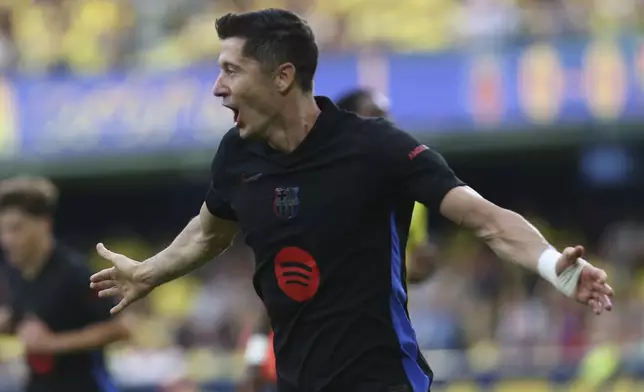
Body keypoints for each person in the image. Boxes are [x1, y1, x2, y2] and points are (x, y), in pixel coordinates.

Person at [90, 9, 613, 392]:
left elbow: (486, 219)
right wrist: (150, 272)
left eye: (231, 70)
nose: (217, 88)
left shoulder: (375, 148)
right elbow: (209, 230)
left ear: (282, 76)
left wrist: (553, 266)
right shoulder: (237, 156)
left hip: (383, 382)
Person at [236, 87, 438, 392]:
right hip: (317, 357)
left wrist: (423, 266)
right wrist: (255, 358)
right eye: (377, 117)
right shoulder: (313, 191)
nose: (388, 126)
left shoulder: (405, 193)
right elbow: (281, 284)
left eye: (388, 118)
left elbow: (407, 266)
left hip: (378, 352)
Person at [0, 176, 130, 392]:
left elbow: (122, 328)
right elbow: (25, 320)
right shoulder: (15, 272)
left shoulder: (75, 272)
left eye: (16, 229)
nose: (6, 240)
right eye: (3, 231)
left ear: (44, 225)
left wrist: (53, 343)